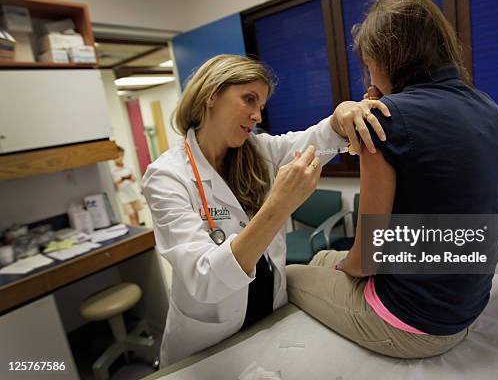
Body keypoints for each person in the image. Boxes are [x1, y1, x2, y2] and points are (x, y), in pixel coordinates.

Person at [287, 0, 498, 359]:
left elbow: (365, 262)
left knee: (293, 274)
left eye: (369, 65)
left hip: (415, 325)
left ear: (383, 59)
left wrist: (346, 264)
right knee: (323, 261)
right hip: (467, 304)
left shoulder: (385, 119)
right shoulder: (487, 107)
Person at [141, 54, 389, 367]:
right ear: (211, 94)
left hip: (268, 312)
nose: (258, 115)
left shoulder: (258, 151)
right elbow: (205, 279)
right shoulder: (166, 176)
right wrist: (279, 205)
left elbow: (320, 141)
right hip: (209, 345)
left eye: (261, 106)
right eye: (249, 99)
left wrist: (342, 116)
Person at [112, 146, 144, 227]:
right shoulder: (113, 170)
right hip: (123, 196)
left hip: (132, 193)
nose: (120, 158)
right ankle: (136, 229)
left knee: (136, 213)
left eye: (121, 155)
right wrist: (122, 179)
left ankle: (139, 228)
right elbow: (114, 183)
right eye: (117, 156)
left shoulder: (128, 167)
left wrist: (130, 178)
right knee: (131, 214)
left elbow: (134, 179)